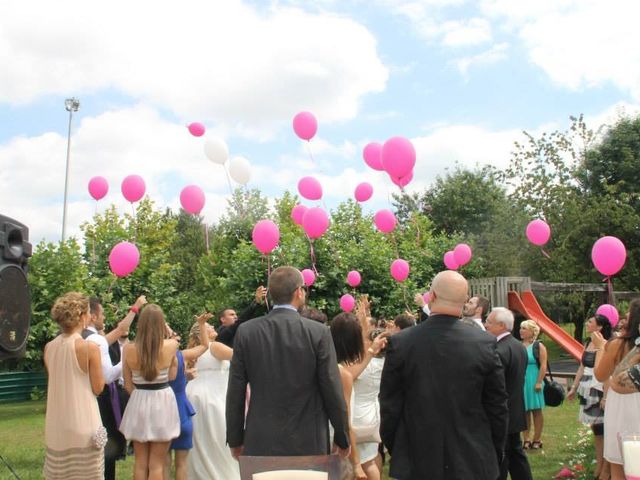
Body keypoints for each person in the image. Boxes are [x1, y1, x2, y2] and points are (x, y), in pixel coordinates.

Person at [379, 270, 508, 480]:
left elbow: (389, 405)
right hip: (471, 456)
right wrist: (493, 448)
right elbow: (497, 406)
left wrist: (398, 447)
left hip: (418, 455)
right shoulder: (483, 343)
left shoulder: (403, 343)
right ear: (464, 301)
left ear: (433, 296)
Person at [226, 266, 350, 458]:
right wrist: (342, 436)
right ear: (299, 292)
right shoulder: (318, 333)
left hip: (261, 439)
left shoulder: (247, 332)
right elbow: (332, 388)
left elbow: (235, 390)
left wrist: (235, 438)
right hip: (309, 440)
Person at [83, 295, 146, 480]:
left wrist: (134, 308)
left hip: (79, 398)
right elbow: (108, 376)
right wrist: (126, 360)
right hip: (99, 398)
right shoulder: (96, 339)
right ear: (93, 316)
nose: (104, 318)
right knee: (104, 443)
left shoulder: (77, 337)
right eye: (102, 314)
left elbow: (120, 330)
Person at [43, 292, 105, 479]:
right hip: (84, 422)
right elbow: (98, 387)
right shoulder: (89, 348)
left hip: (57, 426)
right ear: (83, 317)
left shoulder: (49, 347)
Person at [119, 304, 180, 480]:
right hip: (162, 400)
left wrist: (139, 397)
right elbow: (173, 376)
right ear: (161, 324)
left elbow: (128, 383)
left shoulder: (128, 348)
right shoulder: (171, 346)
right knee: (156, 464)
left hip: (139, 399)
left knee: (140, 462)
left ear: (140, 324)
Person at [593, 299, 640, 480]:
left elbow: (600, 374)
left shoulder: (617, 345)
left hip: (621, 402)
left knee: (619, 462)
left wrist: (599, 348)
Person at [187, 322, 239, 479]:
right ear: (201, 332)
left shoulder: (194, 351)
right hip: (213, 397)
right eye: (209, 326)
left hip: (193, 395)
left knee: (200, 438)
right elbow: (239, 355)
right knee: (218, 436)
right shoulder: (214, 346)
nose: (213, 327)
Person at [485, 307, 533, 480]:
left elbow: (495, 386)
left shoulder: (498, 350)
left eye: (489, 322)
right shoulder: (518, 346)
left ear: (501, 326)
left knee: (502, 456)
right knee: (516, 453)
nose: (485, 325)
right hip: (515, 409)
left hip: (501, 412)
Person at [165, 313, 212, 480]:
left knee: (163, 463)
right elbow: (206, 345)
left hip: (162, 411)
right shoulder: (181, 355)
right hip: (181, 410)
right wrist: (201, 323)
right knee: (182, 464)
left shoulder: (151, 359)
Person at [345, 296, 388, 480]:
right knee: (372, 457)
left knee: (361, 462)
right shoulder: (384, 364)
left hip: (357, 417)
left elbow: (352, 372)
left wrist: (363, 321)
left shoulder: (362, 364)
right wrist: (364, 318)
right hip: (373, 415)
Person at [567, 314, 612, 480]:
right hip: (586, 388)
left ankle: (604, 466)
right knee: (595, 428)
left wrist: (605, 396)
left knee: (602, 428)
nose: (587, 323)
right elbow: (581, 367)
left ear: (599, 327)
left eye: (591, 322)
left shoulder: (606, 344)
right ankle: (600, 462)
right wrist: (574, 387)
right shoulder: (587, 342)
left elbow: (608, 372)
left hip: (599, 388)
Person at [330, 312, 369, 480]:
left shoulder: (325, 366)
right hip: (336, 445)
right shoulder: (342, 374)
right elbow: (345, 421)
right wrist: (357, 464)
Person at [519, 319, 546, 450]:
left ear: (532, 331)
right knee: (524, 411)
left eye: (524, 328)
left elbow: (543, 365)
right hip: (521, 381)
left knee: (536, 411)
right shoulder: (518, 345)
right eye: (520, 328)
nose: (521, 331)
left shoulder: (538, 346)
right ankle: (526, 439)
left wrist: (539, 382)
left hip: (534, 379)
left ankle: (537, 438)